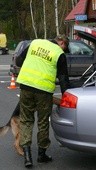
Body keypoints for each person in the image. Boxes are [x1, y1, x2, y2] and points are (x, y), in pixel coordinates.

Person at [16, 35, 70, 168]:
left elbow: (18, 61)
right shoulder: (59, 53)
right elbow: (63, 79)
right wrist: (67, 97)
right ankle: (41, 155)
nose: (64, 50)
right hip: (44, 91)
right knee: (43, 122)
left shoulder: (35, 43)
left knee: (26, 120)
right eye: (65, 47)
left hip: (26, 86)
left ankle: (27, 156)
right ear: (62, 42)